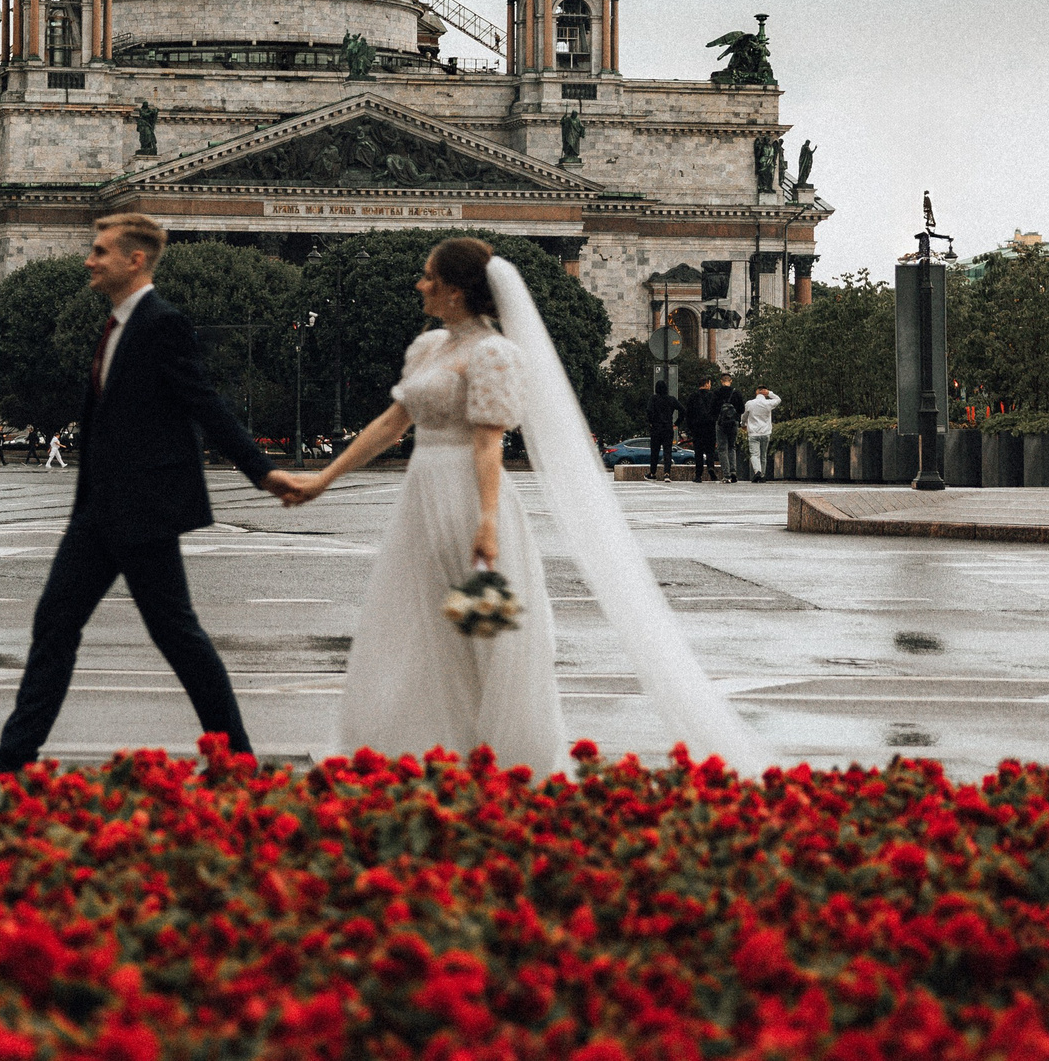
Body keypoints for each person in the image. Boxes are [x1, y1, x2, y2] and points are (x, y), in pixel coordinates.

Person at [274, 238, 765, 773]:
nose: (420, 285)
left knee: (479, 634)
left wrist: (486, 523)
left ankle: (495, 758)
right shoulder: (427, 349)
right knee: (416, 626)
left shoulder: (495, 354)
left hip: (468, 496)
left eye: (428, 277)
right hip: (421, 494)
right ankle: (422, 749)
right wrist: (323, 478)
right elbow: (392, 425)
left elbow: (488, 445)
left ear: (456, 291)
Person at [0, 213, 286, 773]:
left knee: (178, 636)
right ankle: (12, 755)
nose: (89, 260)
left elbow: (204, 404)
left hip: (144, 511)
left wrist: (263, 473)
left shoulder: (160, 323)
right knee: (57, 625)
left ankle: (238, 759)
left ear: (135, 260)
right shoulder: (117, 324)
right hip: (101, 510)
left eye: (100, 251)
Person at [682, 378, 720, 483]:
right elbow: (717, 412)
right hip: (710, 427)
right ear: (707, 384)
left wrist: (690, 428)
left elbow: (688, 413)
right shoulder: (713, 396)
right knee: (710, 450)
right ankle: (711, 468)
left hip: (697, 428)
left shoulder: (693, 397)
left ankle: (698, 475)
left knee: (698, 452)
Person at [742, 386, 780, 481]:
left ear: (756, 392)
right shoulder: (768, 403)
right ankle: (762, 475)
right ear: (764, 392)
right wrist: (770, 393)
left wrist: (743, 424)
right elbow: (778, 399)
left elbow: (744, 416)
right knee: (763, 454)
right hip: (765, 432)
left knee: (755, 454)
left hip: (753, 433)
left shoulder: (749, 403)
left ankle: (757, 471)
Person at [644, 378, 679, 480]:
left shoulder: (653, 399)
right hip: (668, 428)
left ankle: (652, 473)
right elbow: (682, 410)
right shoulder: (671, 399)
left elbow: (649, 411)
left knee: (655, 451)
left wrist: (650, 422)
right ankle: (667, 473)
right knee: (667, 451)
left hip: (656, 428)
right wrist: (676, 423)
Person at [714, 376, 746, 483]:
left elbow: (712, 408)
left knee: (722, 448)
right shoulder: (736, 393)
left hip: (721, 423)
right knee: (732, 447)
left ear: (721, 381)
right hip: (733, 423)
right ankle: (733, 472)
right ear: (730, 381)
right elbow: (742, 409)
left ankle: (726, 475)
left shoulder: (717, 393)